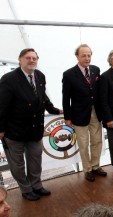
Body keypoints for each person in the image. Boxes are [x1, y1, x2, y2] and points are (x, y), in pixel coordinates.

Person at [0, 48, 62, 201]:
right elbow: (2, 106)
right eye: (28, 58)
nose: (32, 60)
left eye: (34, 58)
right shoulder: (9, 79)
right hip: (14, 131)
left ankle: (36, 185)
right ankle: (26, 189)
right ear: (20, 60)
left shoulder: (40, 76)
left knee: (36, 159)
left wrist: (54, 110)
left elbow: (43, 98)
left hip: (34, 129)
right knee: (18, 164)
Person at [62, 44, 107, 182]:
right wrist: (67, 118)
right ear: (77, 56)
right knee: (83, 143)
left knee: (97, 141)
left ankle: (95, 166)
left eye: (89, 55)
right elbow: (66, 98)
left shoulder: (96, 70)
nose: (87, 58)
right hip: (79, 115)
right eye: (84, 55)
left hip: (96, 113)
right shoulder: (69, 74)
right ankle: (87, 169)